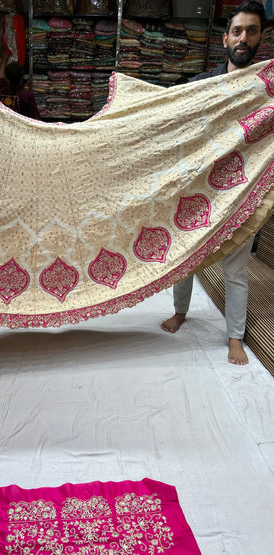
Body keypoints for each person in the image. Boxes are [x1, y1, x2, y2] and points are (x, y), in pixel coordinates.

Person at [161, 0, 267, 366]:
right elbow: (174, 123)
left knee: (236, 270)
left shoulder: (265, 89)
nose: (243, 38)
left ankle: (235, 338)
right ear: (225, 39)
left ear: (261, 37)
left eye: (251, 31)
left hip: (243, 192)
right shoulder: (201, 86)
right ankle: (180, 312)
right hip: (201, 191)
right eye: (237, 31)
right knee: (187, 258)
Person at [0, 49, 40, 119]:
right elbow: (35, 118)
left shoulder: (2, 91)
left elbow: (1, 76)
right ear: (22, 78)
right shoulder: (27, 95)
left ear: (7, 78)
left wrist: (4, 59)